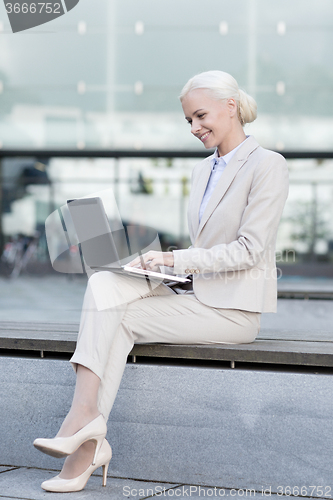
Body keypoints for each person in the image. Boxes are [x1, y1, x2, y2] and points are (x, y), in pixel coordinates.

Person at [33, 70, 289, 492]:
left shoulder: (267, 165)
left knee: (115, 311)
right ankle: (86, 430)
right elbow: (205, 245)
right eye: (188, 120)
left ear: (231, 106)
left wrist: (175, 260)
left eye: (200, 116)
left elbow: (249, 250)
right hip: (196, 294)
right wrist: (155, 265)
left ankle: (83, 434)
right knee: (105, 285)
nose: (194, 128)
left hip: (233, 312)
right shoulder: (201, 172)